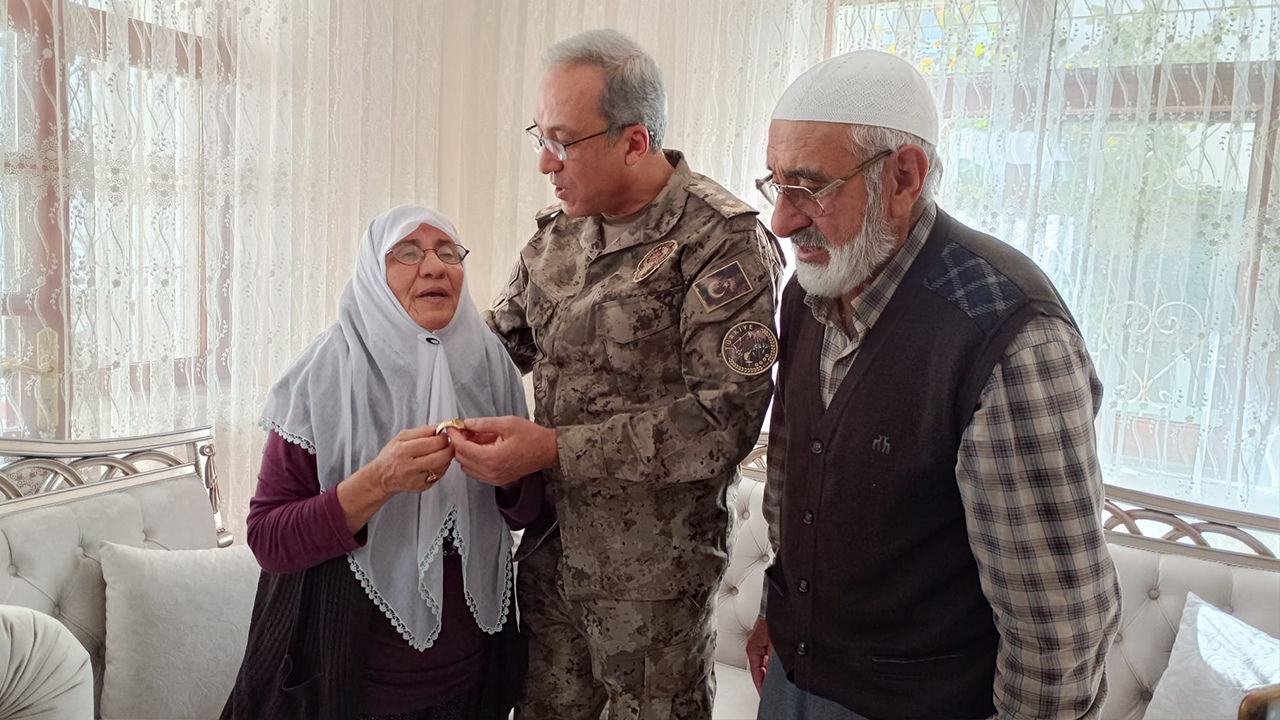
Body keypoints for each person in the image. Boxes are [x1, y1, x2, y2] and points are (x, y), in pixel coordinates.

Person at [744, 50, 1121, 720]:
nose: (782, 219)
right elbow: (792, 484)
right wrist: (781, 610)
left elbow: (1056, 635)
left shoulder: (1008, 335)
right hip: (796, 681)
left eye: (809, 187)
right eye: (776, 185)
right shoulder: (811, 292)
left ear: (903, 177)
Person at [445, 29, 784, 720]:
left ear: (634, 141)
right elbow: (494, 345)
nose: (545, 162)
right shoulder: (557, 236)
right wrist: (389, 349)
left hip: (652, 583)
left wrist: (552, 448)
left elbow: (723, 421)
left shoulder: (720, 242)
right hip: (549, 556)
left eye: (564, 141)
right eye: (539, 135)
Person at [221, 206, 540, 720]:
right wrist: (378, 480)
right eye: (407, 253)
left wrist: (510, 478)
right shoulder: (327, 370)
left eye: (447, 252)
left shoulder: (491, 364)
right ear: (373, 273)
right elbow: (268, 539)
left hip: (472, 683)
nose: (434, 266)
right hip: (345, 684)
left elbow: (523, 516)